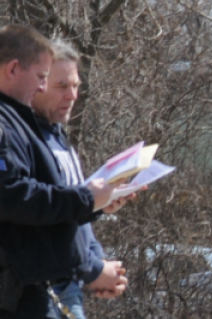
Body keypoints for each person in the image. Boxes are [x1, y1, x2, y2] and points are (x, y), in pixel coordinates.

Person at [0, 24, 120, 318]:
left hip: (37, 288)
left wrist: (95, 205)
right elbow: (11, 195)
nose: (42, 86)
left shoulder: (19, 120)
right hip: (20, 294)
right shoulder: (6, 122)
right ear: (13, 68)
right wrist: (86, 200)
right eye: (43, 77)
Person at [31, 39, 131, 318]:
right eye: (62, 86)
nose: (72, 95)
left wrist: (98, 261)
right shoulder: (25, 142)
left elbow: (74, 216)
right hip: (40, 292)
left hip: (69, 287)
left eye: (76, 86)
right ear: (36, 85)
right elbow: (40, 217)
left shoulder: (59, 137)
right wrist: (94, 270)